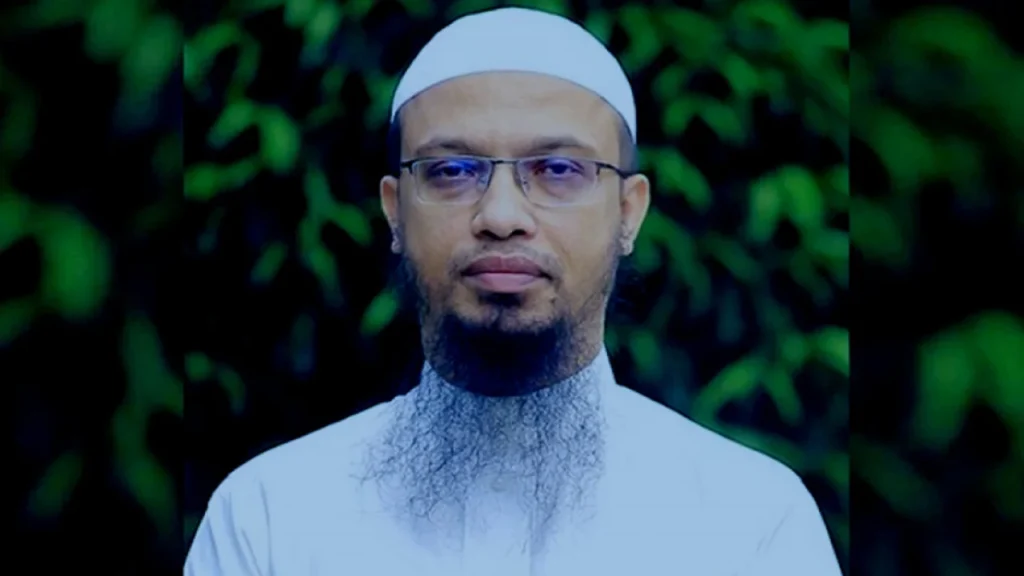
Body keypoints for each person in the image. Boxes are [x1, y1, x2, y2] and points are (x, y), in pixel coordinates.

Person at [185, 7, 842, 575]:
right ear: (395, 211)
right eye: (451, 170)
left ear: (628, 212)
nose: (501, 215)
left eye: (557, 169)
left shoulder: (751, 520)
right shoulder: (271, 515)